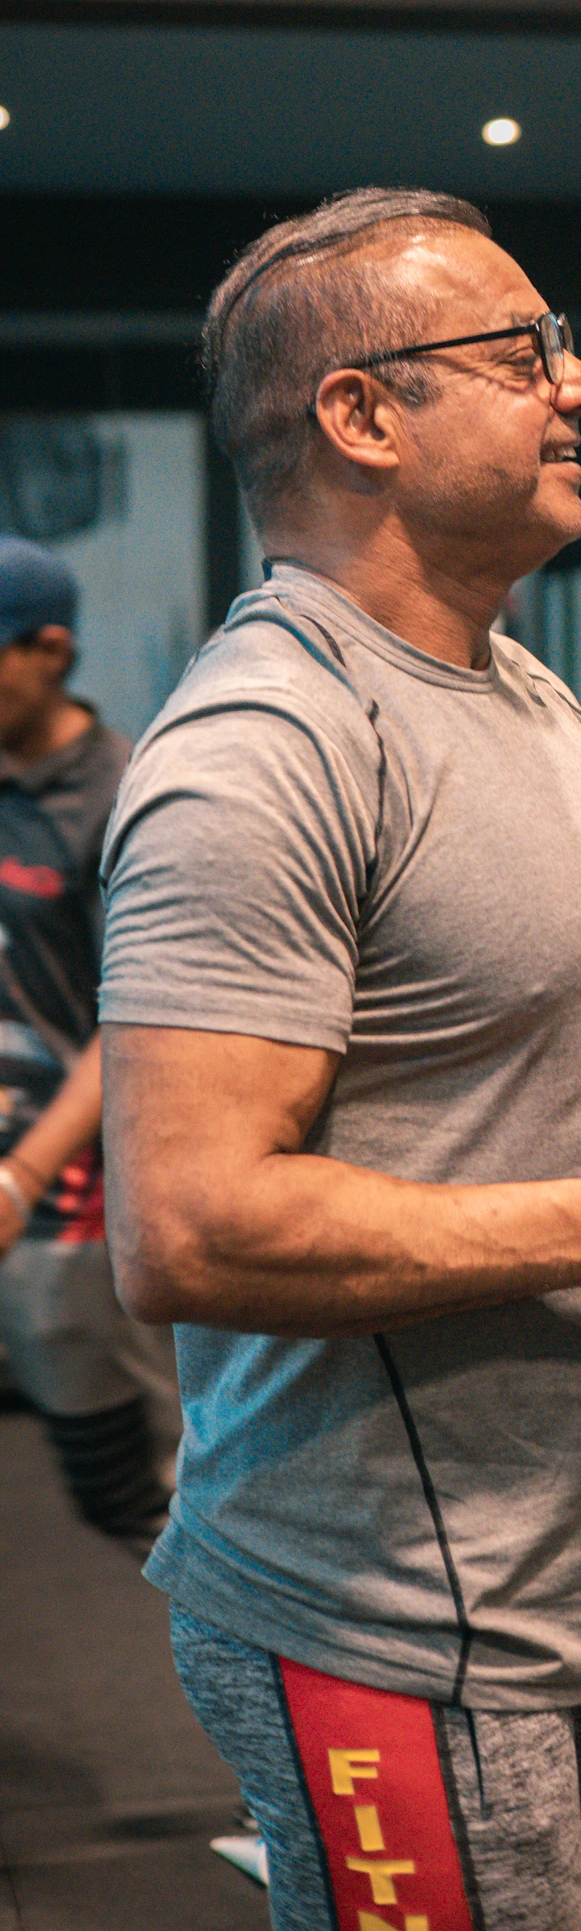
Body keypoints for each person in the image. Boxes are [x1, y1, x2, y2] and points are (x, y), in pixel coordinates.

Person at [99, 187, 581, 1931]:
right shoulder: (266, 746)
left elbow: (533, 1089)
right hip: (387, 1621)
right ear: (364, 414)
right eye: (526, 353)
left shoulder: (521, 691)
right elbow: (187, 1229)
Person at [0, 536, 179, 1546]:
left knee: (132, 1495)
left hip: (64, 1191)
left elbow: (138, 1022)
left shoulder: (124, 797)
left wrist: (22, 1175)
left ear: (50, 651)